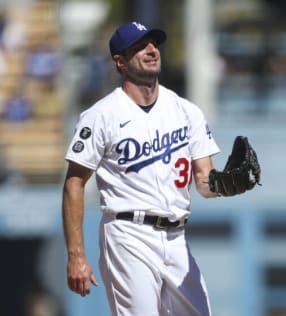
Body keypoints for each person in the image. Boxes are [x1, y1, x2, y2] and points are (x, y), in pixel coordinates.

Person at [62, 21, 259, 316]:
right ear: (120, 62)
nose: (151, 49)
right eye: (140, 46)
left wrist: (224, 184)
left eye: (153, 43)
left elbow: (204, 181)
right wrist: (76, 254)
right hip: (129, 233)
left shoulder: (186, 110)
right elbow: (74, 182)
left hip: (177, 236)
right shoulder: (100, 115)